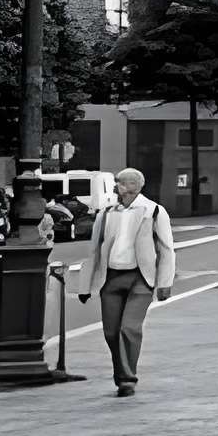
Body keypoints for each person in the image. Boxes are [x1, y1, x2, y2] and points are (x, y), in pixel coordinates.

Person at [78, 166, 176, 396]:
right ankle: (122, 373)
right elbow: (94, 251)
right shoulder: (106, 213)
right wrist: (85, 286)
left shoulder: (153, 211)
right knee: (111, 332)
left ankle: (127, 379)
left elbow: (166, 249)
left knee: (129, 328)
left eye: (120, 183)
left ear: (133, 186)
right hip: (110, 278)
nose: (116, 186)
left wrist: (164, 283)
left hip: (140, 278)